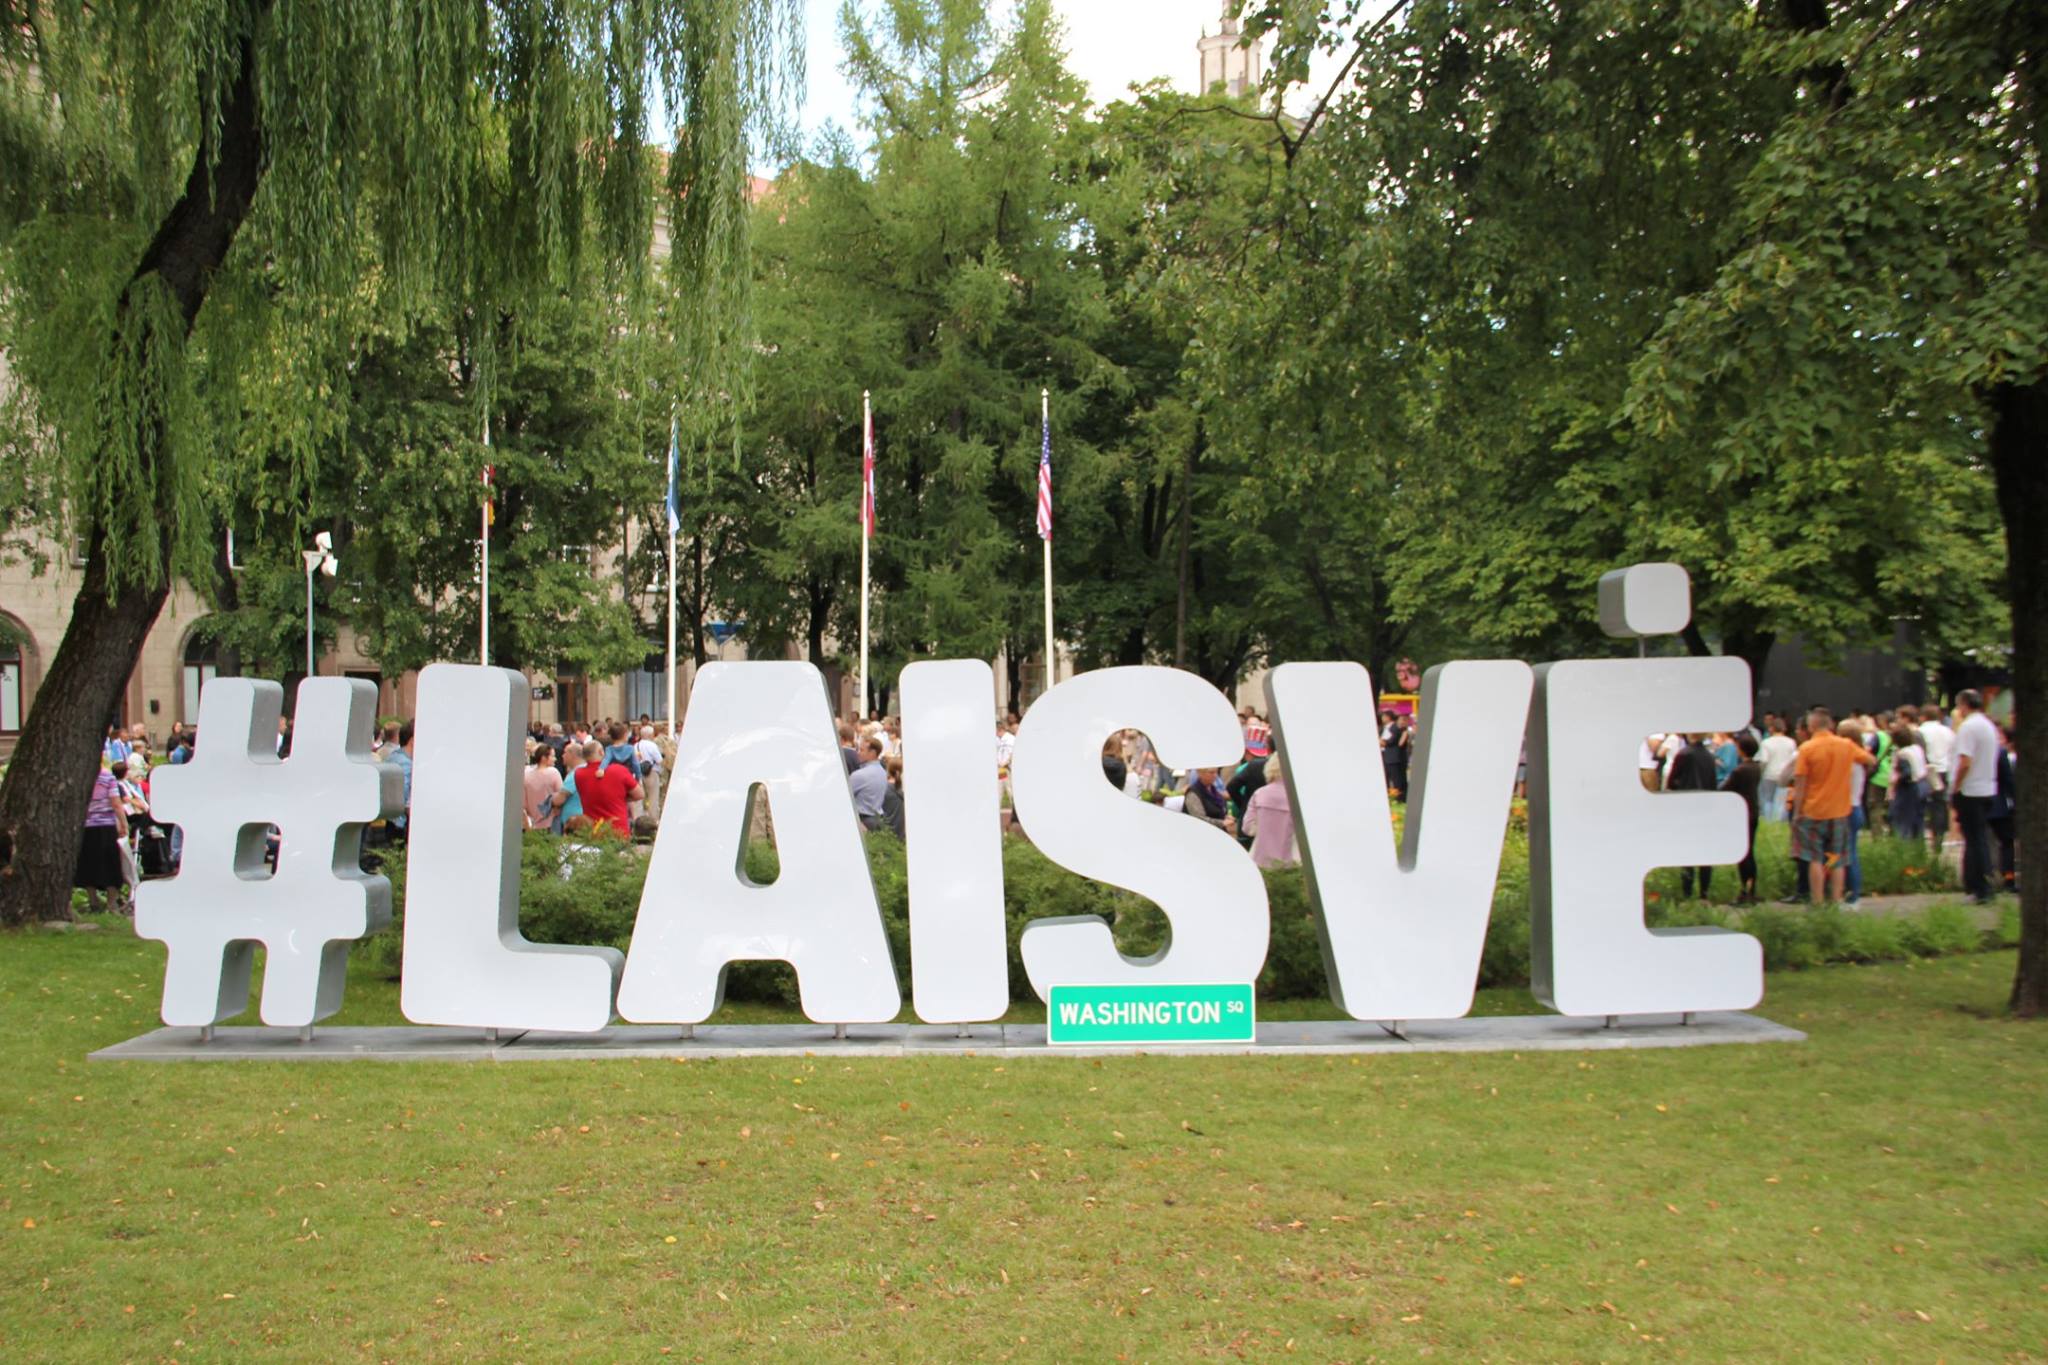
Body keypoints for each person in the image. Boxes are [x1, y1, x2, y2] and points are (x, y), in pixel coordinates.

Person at [1787, 708, 1874, 906]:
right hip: (1840, 810)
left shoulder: (1807, 748)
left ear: (1811, 727)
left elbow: (1800, 783)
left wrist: (1797, 812)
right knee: (1837, 858)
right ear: (1831, 724)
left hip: (1812, 810)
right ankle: (1836, 899)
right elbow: (1870, 760)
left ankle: (1817, 901)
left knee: (1815, 858)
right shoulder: (1846, 745)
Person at [1949, 690, 2000, 904]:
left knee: (1973, 841)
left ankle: (1978, 888)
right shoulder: (1989, 726)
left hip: (1969, 790)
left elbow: (1965, 762)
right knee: (1981, 839)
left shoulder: (1968, 727)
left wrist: (1955, 787)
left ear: (1964, 705)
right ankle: (1985, 883)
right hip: (1986, 787)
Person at [1665, 734, 1720, 899]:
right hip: (1706, 809)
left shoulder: (1683, 754)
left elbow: (1671, 782)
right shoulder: (1710, 756)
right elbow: (1713, 783)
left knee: (1687, 851)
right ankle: (1704, 894)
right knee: (1705, 852)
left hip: (1687, 808)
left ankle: (1687, 893)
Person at [75, 761, 130, 913]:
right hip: (106, 825)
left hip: (86, 826)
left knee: (89, 863)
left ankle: (93, 901)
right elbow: (116, 803)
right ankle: (112, 903)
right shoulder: (108, 777)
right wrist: (124, 824)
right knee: (110, 864)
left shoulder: (80, 777)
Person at [1720, 732, 1763, 903]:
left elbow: (1725, 788)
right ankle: (1752, 890)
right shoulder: (1755, 768)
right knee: (1750, 852)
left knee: (1743, 854)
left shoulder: (1740, 770)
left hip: (1742, 814)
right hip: (1754, 811)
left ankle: (1744, 891)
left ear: (1741, 749)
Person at [573, 741, 642, 838]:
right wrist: (621, 798)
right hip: (618, 830)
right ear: (601, 752)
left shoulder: (578, 774)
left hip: (592, 830)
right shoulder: (619, 770)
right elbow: (640, 794)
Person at [1242, 755, 1296, 867]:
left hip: (1260, 860)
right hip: (1290, 864)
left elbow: (1247, 828)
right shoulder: (1299, 798)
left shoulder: (1259, 793)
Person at [1920, 702, 1955, 858]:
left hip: (1927, 770)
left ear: (1923, 716)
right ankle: (1939, 838)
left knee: (1922, 805)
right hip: (1944, 770)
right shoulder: (1948, 731)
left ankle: (1921, 838)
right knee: (1939, 806)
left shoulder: (1920, 731)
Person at [1887, 720, 1929, 843]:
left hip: (1908, 790)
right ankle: (1919, 845)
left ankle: (1905, 844)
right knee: (1918, 818)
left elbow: (1906, 773)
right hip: (1922, 785)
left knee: (1904, 819)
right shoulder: (1917, 749)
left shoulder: (1902, 754)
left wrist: (1895, 780)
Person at [1989, 723, 2018, 895]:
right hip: (1999, 804)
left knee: (1982, 842)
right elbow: (2008, 780)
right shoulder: (1999, 752)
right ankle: (2008, 879)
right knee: (2006, 843)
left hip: (1978, 803)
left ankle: (1984, 880)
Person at [1756, 716, 1797, 821]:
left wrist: (1761, 773)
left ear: (1771, 728)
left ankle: (1769, 820)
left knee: (1767, 799)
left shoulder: (1766, 742)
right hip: (1785, 775)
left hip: (1769, 774)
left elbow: (1764, 761)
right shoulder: (1791, 742)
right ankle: (1780, 820)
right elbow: (1794, 759)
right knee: (1782, 800)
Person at [384, 721, 414, 844]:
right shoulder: (406, 764)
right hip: (401, 825)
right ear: (413, 740)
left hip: (391, 820)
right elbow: (404, 800)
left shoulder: (394, 756)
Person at [523, 744, 566, 831]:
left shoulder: (526, 773)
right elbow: (561, 795)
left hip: (531, 822)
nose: (555, 759)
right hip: (550, 822)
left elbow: (524, 802)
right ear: (543, 758)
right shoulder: (553, 772)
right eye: (552, 756)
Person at [1182, 767, 1236, 835]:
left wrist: (1225, 816)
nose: (1215, 775)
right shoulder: (1193, 794)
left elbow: (1217, 810)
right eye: (1211, 773)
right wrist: (1222, 822)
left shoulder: (1213, 790)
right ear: (1200, 774)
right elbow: (1199, 819)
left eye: (1216, 772)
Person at [849, 737, 889, 828]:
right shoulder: (883, 772)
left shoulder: (860, 775)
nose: (858, 753)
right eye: (858, 749)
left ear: (872, 753)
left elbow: (843, 797)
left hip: (863, 822)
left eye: (862, 750)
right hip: (878, 820)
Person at [635, 724, 665, 819]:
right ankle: (653, 819)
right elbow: (659, 760)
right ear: (650, 735)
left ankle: (640, 818)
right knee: (653, 797)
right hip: (652, 772)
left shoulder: (636, 745)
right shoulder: (652, 745)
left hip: (639, 772)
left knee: (640, 799)